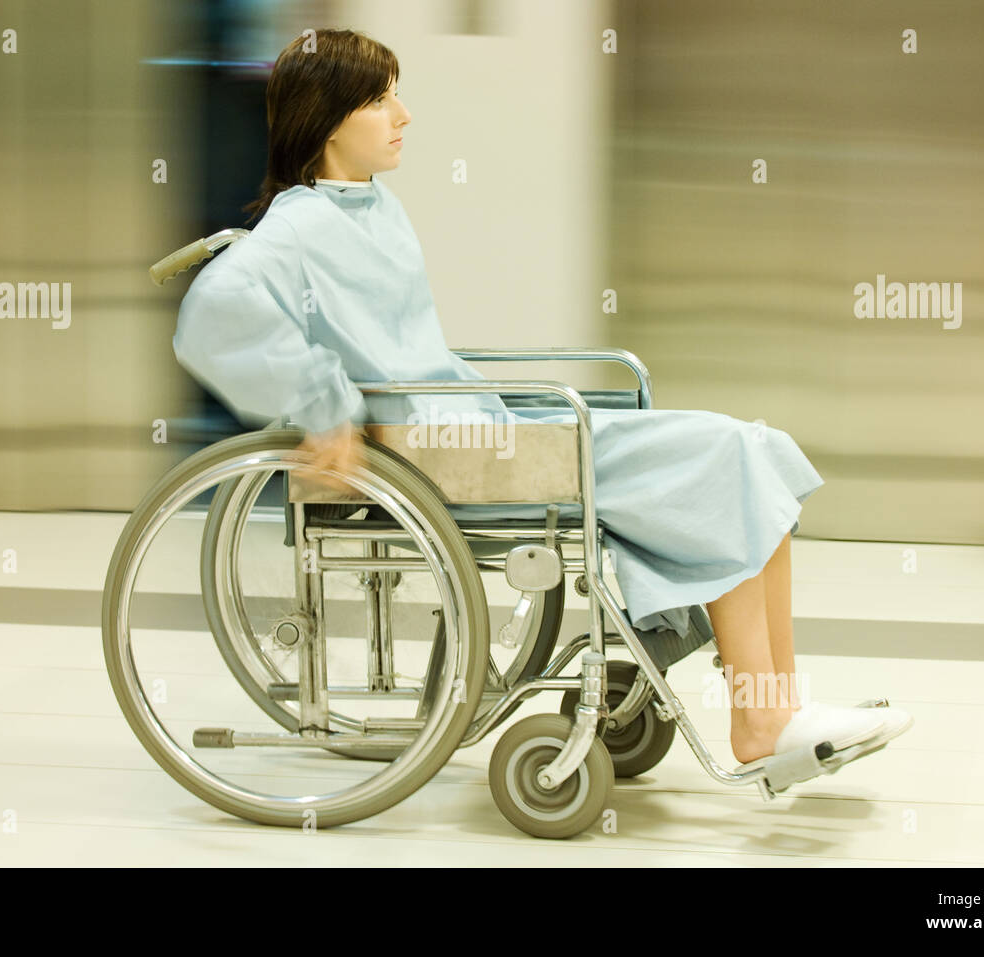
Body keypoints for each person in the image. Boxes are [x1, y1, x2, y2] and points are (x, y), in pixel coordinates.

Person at [171, 29, 911, 769]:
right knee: (730, 457)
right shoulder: (300, 224)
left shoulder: (373, 207)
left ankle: (776, 707)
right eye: (378, 98)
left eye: (396, 93)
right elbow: (212, 315)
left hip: (476, 428)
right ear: (326, 118)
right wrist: (324, 407)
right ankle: (761, 723)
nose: (403, 114)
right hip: (447, 457)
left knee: (757, 452)